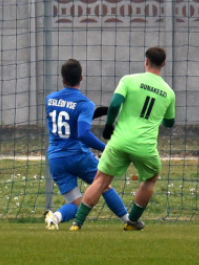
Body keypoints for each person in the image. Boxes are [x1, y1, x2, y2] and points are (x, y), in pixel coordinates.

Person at [70, 47, 175, 231]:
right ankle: (132, 221)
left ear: (146, 61)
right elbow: (169, 122)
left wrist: (109, 126)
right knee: (151, 178)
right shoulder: (169, 92)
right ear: (164, 64)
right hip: (145, 146)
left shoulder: (129, 80)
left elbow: (115, 104)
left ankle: (77, 223)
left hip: (119, 141)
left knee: (101, 180)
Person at [43, 59, 129, 230]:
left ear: (62, 79)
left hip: (56, 158)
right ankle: (128, 220)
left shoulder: (50, 99)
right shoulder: (85, 104)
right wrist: (107, 148)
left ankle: (56, 217)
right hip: (78, 155)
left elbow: (67, 116)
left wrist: (91, 114)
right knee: (104, 185)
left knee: (77, 204)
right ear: (82, 78)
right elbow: (82, 133)